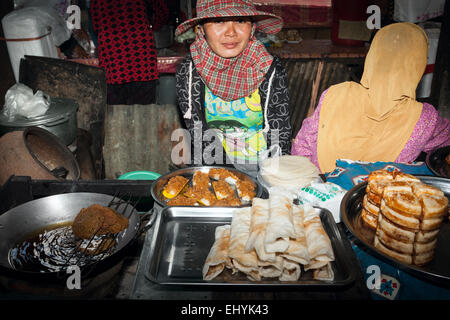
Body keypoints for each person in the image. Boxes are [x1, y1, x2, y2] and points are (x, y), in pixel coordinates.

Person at [291, 22, 450, 174]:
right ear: (419, 64)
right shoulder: (425, 118)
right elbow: (445, 148)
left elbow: (301, 148)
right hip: (374, 196)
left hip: (318, 190)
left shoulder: (335, 94)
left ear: (372, 55)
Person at [174, 0, 292, 175]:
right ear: (201, 29)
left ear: (252, 27)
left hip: (263, 168)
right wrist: (229, 180)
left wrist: (274, 180)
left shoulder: (268, 68)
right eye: (219, 21)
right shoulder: (189, 70)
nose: (231, 32)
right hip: (212, 164)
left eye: (240, 21)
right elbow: (198, 132)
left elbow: (279, 133)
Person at [90, 0, 169, 105]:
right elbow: (162, 11)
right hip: (140, 54)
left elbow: (95, 24)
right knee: (144, 114)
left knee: (115, 114)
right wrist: (152, 26)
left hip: (112, 56)